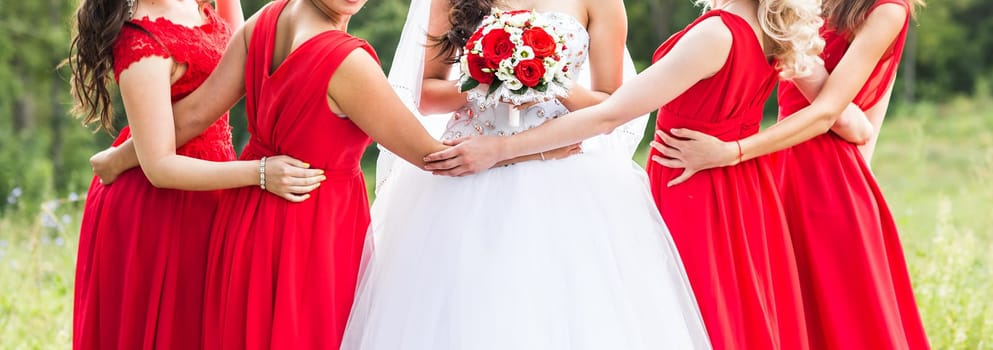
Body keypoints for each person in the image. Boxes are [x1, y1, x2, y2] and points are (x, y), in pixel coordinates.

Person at [422, 0, 834, 348]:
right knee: (734, 301)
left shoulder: (717, 33)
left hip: (691, 181)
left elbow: (611, 112)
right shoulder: (759, 29)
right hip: (736, 185)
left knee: (708, 304)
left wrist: (530, 90)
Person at [341, 0, 711, 349]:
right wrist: (486, 80)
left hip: (568, 173)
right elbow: (427, 93)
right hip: (469, 170)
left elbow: (611, 104)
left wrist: (551, 81)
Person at [654, 0, 931, 347]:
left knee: (842, 319)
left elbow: (832, 113)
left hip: (826, 177)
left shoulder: (887, 10)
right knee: (780, 309)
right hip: (776, 164)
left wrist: (732, 152)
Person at [67, 0, 320, 348]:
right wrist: (260, 173)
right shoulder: (139, 39)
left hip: (211, 190)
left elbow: (245, 50)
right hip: (160, 206)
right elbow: (160, 166)